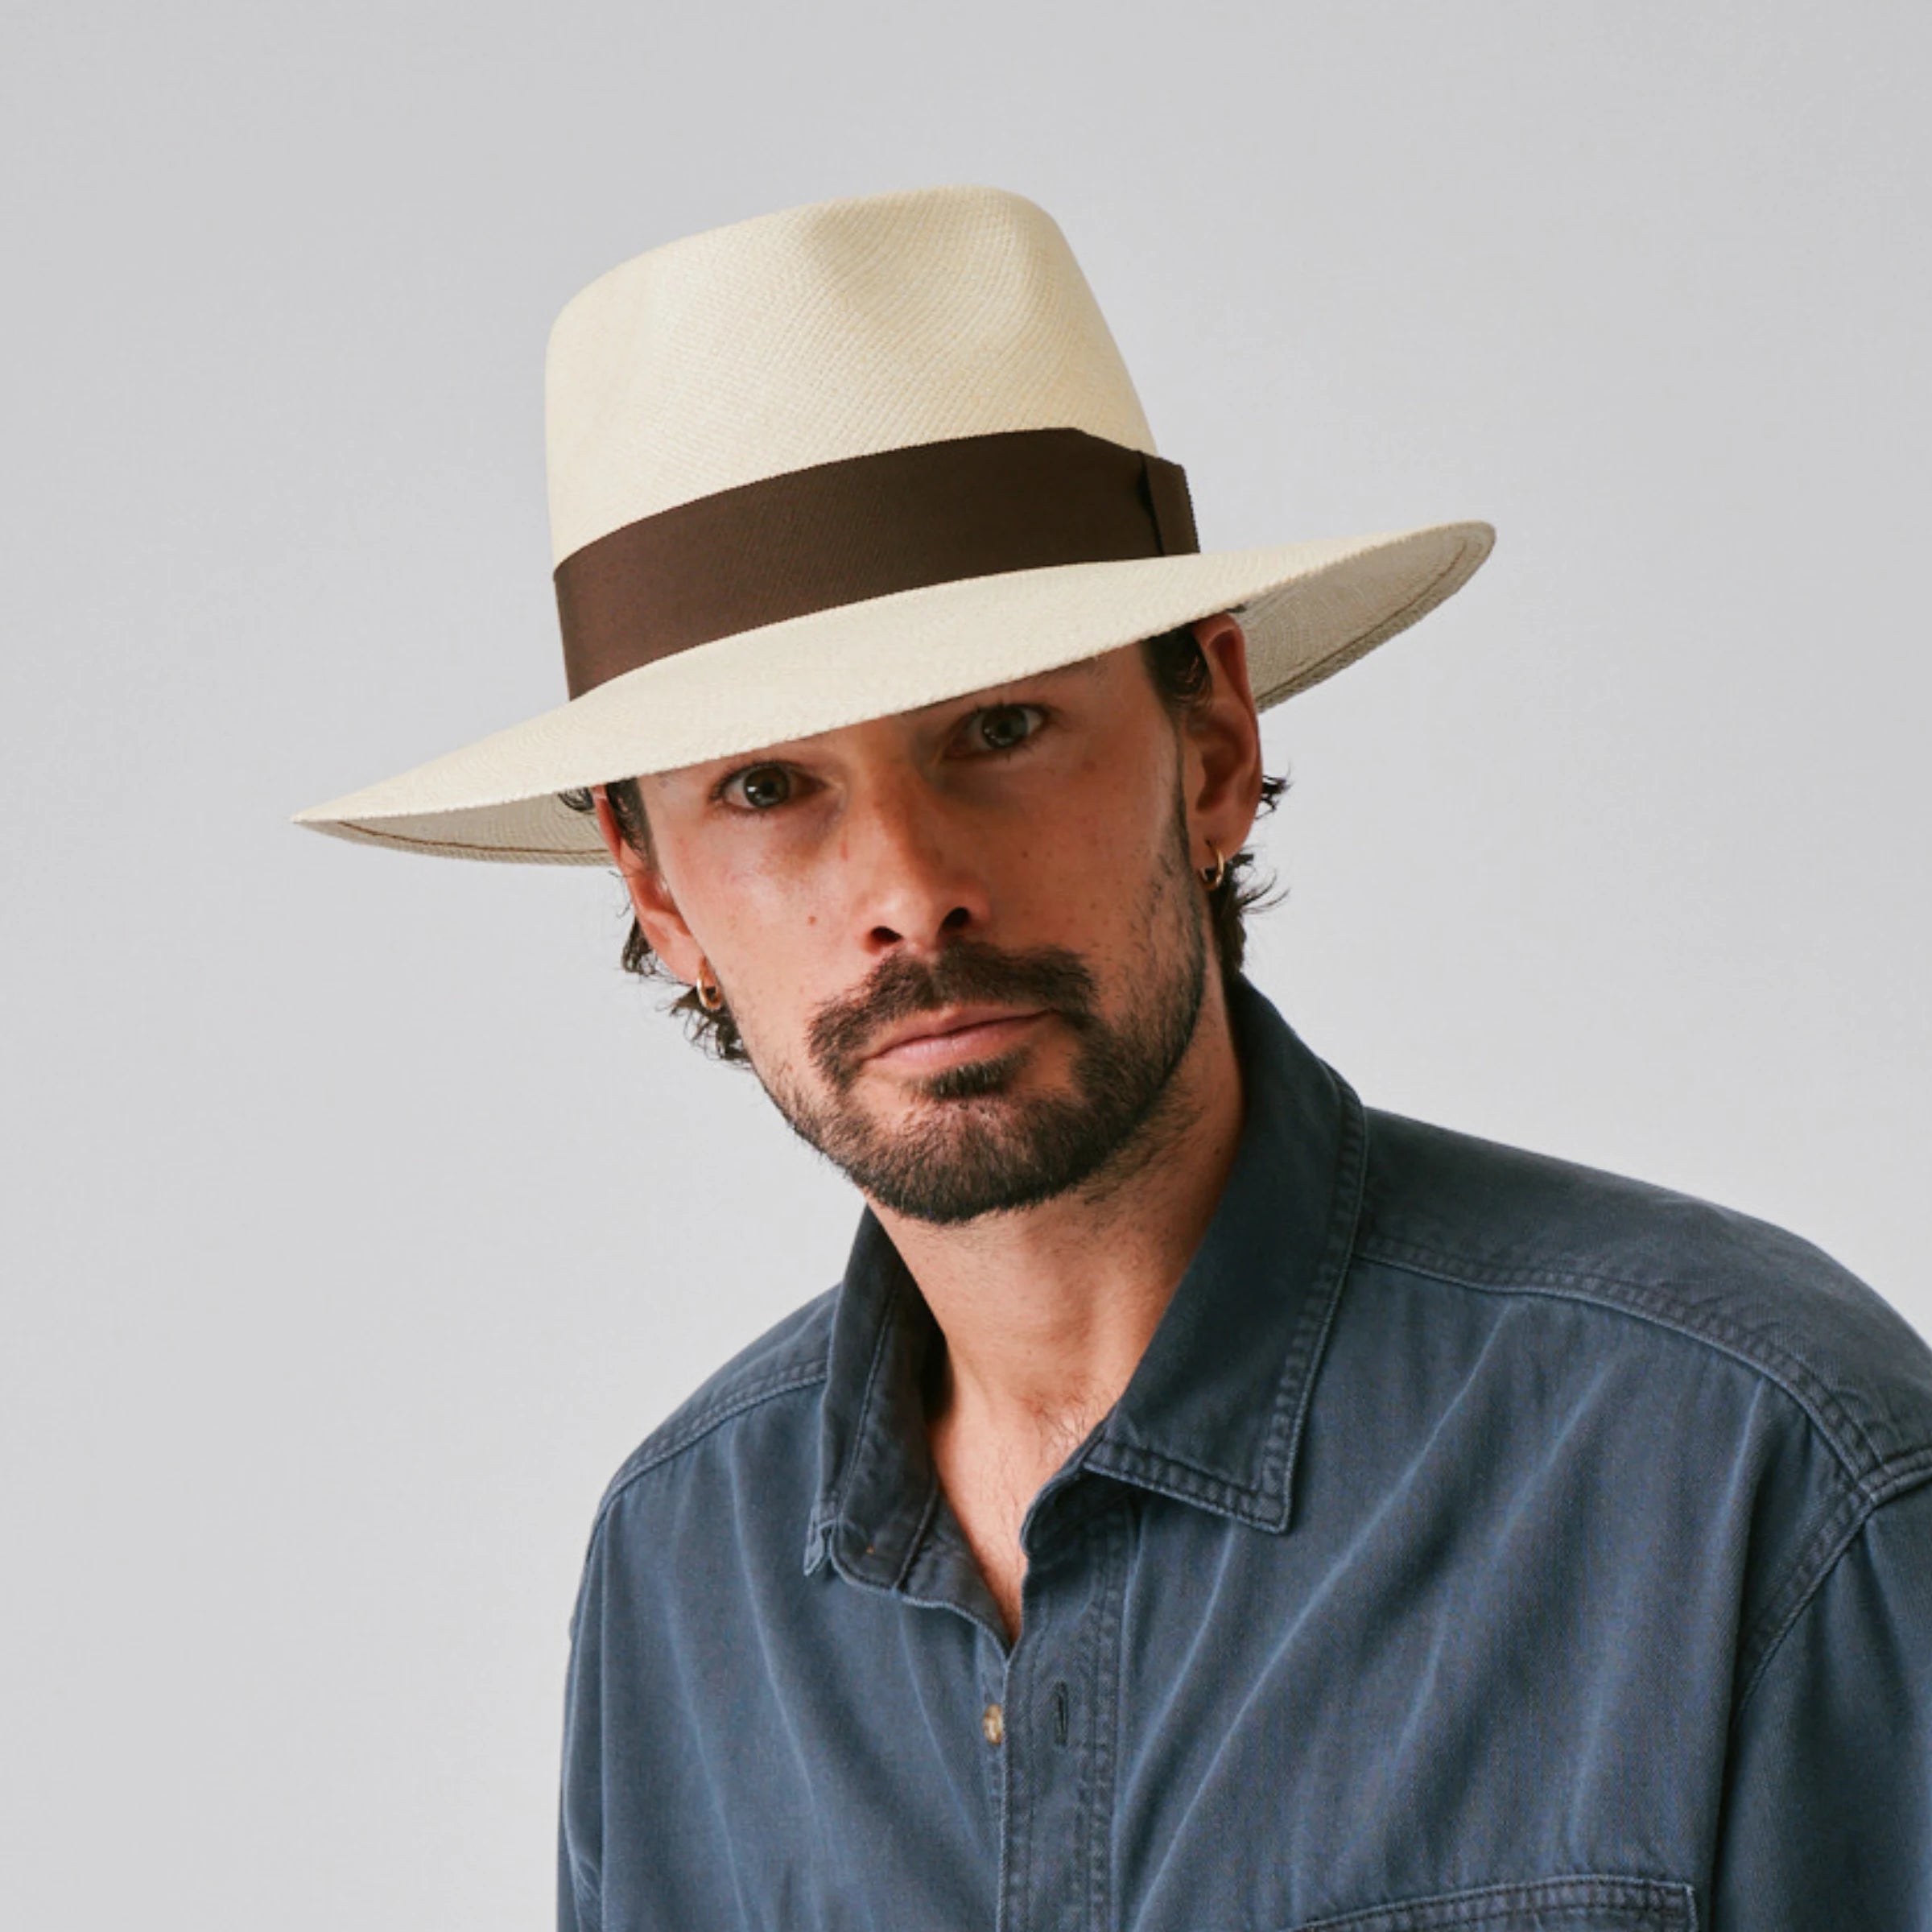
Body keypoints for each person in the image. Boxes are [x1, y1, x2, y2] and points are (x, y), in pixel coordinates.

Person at [296, 186, 1932, 1931]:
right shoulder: (683, 1575)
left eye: (999, 729)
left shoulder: (1743, 1463)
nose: (911, 896)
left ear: (1211, 741)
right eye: (768, 789)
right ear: (659, 890)